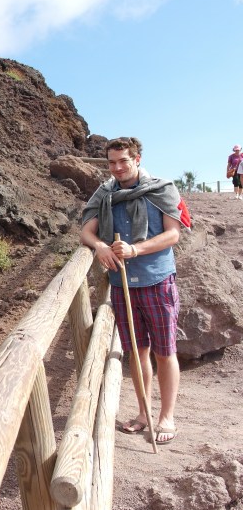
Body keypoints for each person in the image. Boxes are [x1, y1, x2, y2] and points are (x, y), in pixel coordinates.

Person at [80, 137, 189, 445]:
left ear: (137, 159)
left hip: (157, 281)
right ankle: (144, 413)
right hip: (123, 284)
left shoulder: (162, 189)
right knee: (137, 351)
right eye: (112, 162)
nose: (117, 168)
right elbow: (86, 231)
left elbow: (173, 234)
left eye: (123, 161)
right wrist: (101, 246)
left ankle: (166, 416)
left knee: (164, 351)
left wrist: (135, 249)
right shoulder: (105, 193)